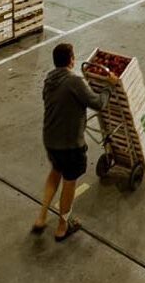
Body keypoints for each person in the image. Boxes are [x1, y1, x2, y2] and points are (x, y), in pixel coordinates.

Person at [32, 43, 117, 241]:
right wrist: (109, 86)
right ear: (71, 60)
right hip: (70, 144)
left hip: (50, 139)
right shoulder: (74, 81)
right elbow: (98, 103)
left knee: (55, 172)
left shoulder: (49, 79)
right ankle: (63, 227)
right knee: (69, 183)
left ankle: (42, 216)